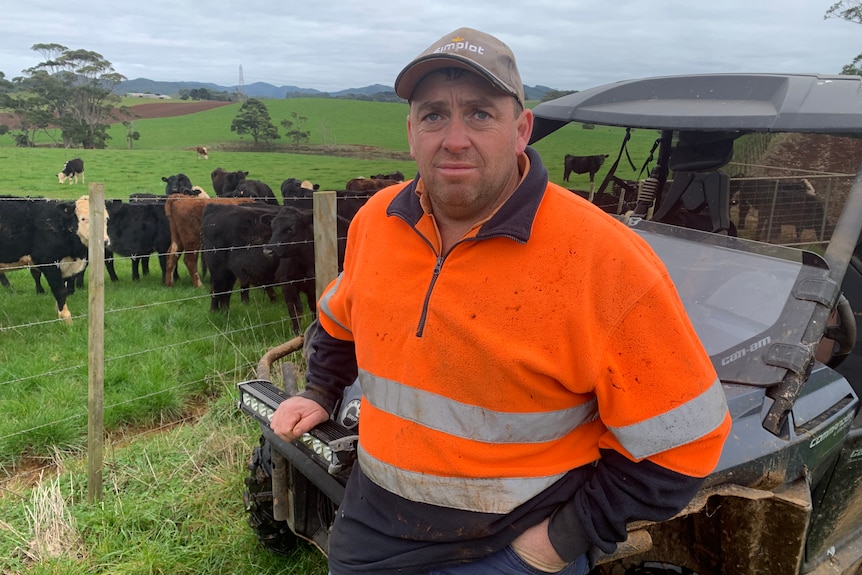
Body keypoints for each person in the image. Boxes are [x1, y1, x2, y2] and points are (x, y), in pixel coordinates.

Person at [270, 27, 731, 575]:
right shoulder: (377, 220)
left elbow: (686, 441)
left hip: (505, 549)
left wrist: (556, 543)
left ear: (522, 129)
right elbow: (337, 320)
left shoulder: (605, 259)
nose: (455, 137)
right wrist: (321, 390)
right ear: (412, 131)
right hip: (371, 526)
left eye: (481, 113)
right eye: (434, 114)